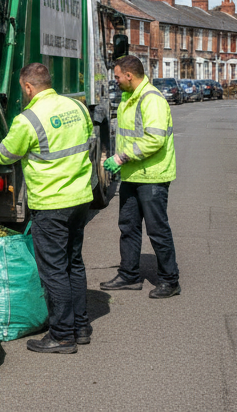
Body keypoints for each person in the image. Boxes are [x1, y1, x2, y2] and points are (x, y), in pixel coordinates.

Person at [0, 62, 96, 353]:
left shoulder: (28, 119)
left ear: (28, 87)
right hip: (80, 199)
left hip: (51, 204)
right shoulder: (77, 108)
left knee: (53, 271)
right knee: (73, 264)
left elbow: (6, 155)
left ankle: (62, 336)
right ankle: (81, 327)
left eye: (22, 89)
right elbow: (89, 141)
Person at [100, 55, 180, 299]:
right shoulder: (129, 97)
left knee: (157, 230)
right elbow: (128, 136)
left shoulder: (151, 99)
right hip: (133, 174)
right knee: (128, 226)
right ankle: (129, 275)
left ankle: (170, 280)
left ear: (129, 76)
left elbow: (154, 139)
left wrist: (121, 158)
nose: (115, 81)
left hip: (152, 176)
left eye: (116, 77)